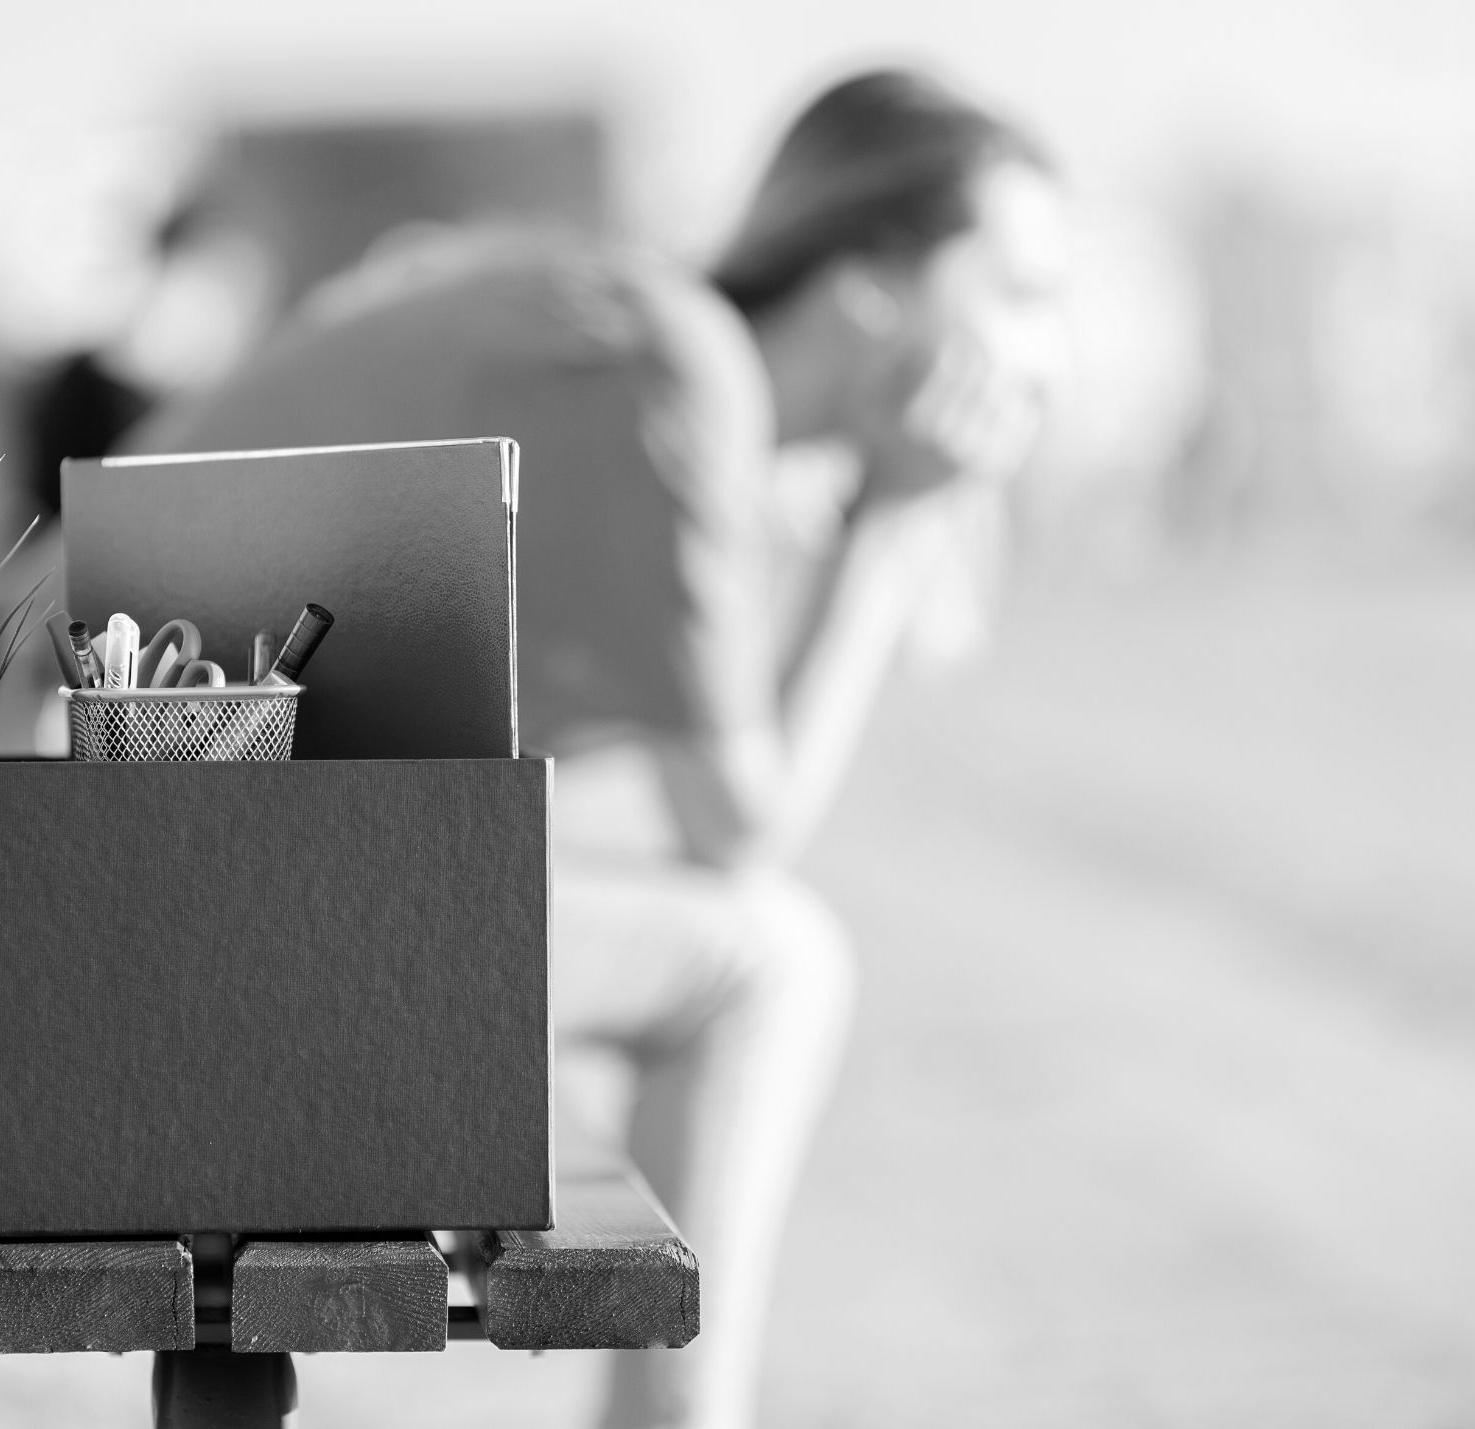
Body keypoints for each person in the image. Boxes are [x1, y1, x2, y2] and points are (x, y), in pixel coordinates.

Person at [128, 68, 1069, 1429]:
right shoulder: (670, 369)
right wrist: (892, 529)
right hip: (122, 927)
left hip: (126, 884)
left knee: (718, 929)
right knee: (772, 958)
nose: (1050, 353)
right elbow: (740, 829)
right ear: (869, 284)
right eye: (1023, 293)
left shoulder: (619, 329)